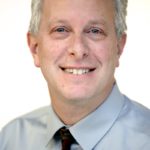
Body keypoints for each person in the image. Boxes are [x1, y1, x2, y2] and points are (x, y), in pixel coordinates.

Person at [0, 0, 150, 149]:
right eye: (60, 30)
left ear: (119, 47)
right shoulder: (10, 139)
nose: (78, 50)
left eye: (95, 31)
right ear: (35, 48)